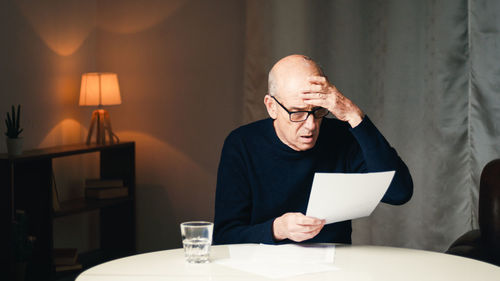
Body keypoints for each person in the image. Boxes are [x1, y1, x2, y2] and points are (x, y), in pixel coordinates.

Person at [214, 54, 413, 245]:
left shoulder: (343, 137)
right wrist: (277, 229)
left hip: (334, 268)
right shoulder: (242, 144)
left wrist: (355, 116)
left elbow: (399, 192)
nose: (311, 125)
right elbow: (225, 237)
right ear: (271, 106)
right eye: (297, 113)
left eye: (318, 110)